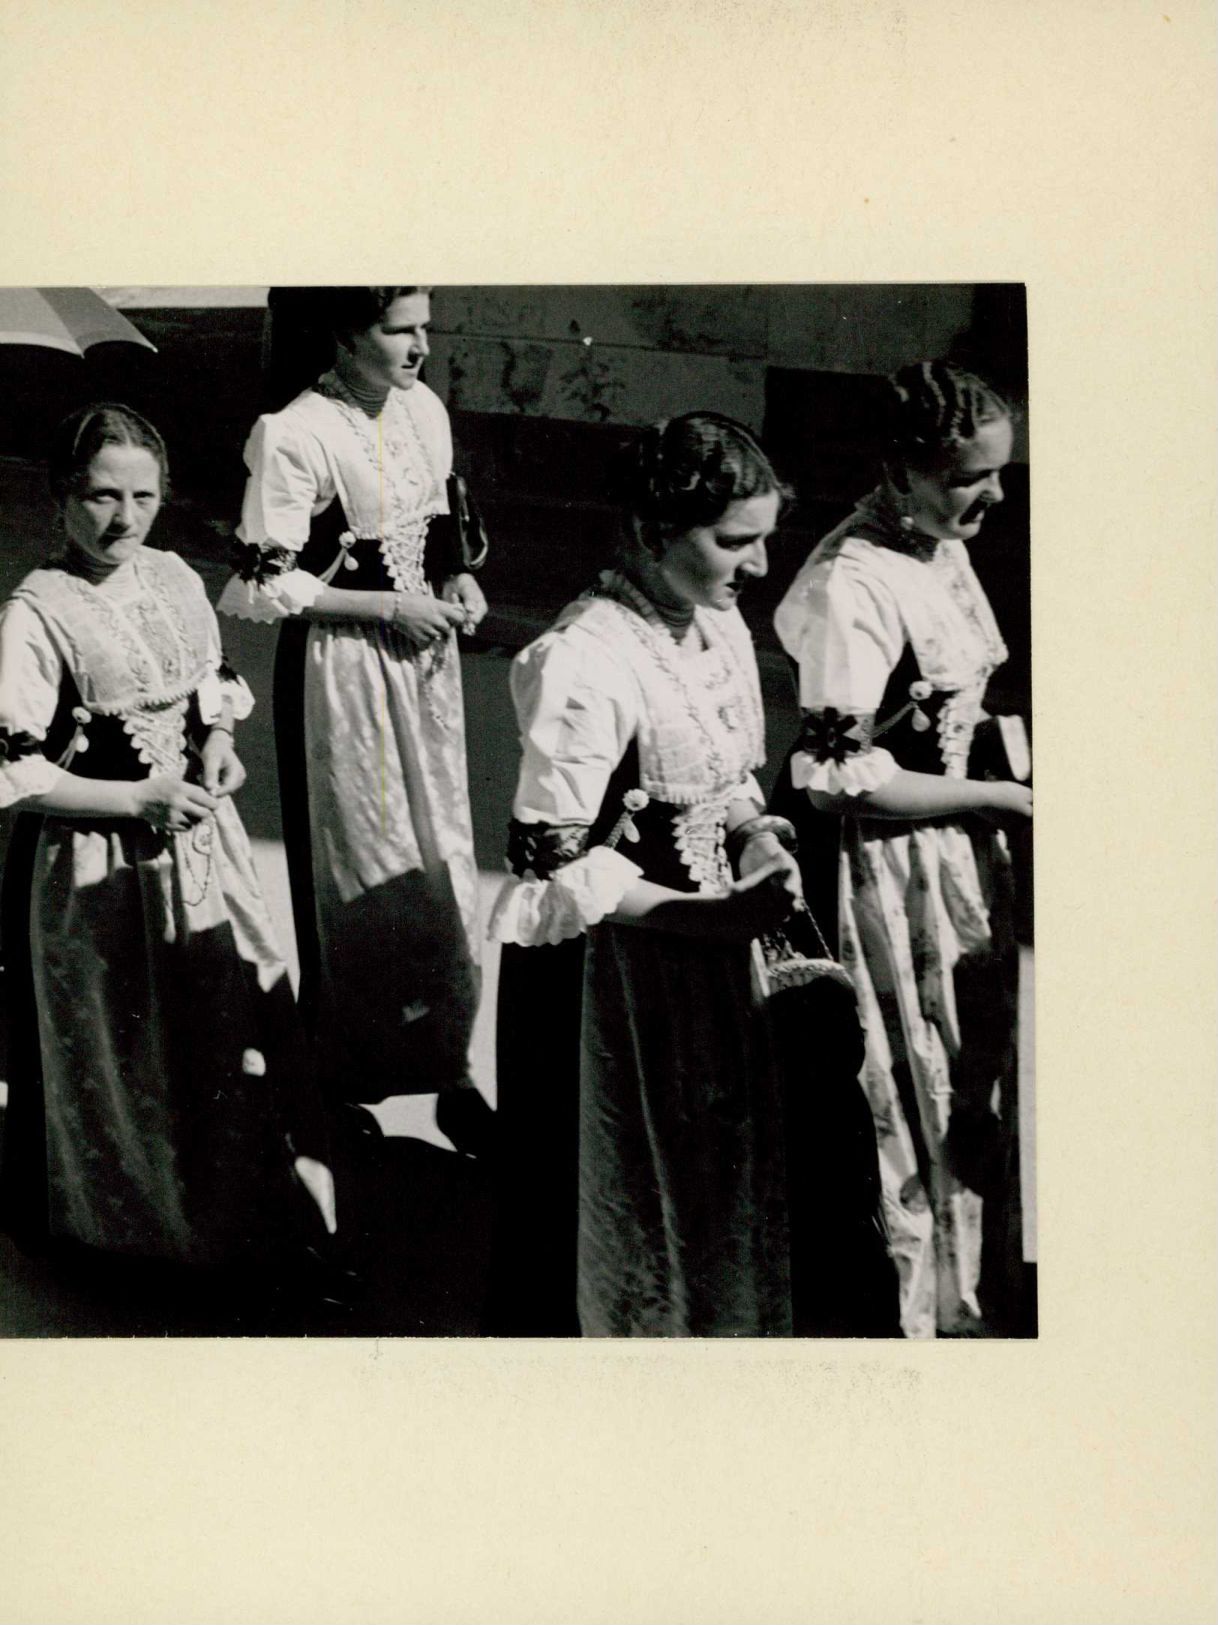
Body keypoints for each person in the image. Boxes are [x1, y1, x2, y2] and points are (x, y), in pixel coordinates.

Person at [490, 412, 895, 1337]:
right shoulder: (583, 660)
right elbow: (551, 863)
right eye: (734, 541)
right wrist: (709, 919)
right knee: (640, 1208)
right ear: (650, 531)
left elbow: (728, 775)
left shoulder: (712, 621)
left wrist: (755, 835)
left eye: (764, 538)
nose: (759, 565)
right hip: (621, 978)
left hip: (722, 956)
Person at [0, 403, 335, 1270]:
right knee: (130, 1046)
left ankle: (243, 1216)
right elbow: (17, 772)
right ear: (61, 496)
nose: (125, 519)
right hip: (94, 864)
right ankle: (145, 1234)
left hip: (201, 848)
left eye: (143, 497)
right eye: (102, 496)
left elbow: (212, 686)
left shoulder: (176, 577)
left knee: (226, 1021)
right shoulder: (37, 612)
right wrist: (136, 798)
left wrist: (219, 743)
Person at [770, 359, 1032, 1338]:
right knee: (911, 1096)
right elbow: (836, 779)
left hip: (953, 854)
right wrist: (995, 796)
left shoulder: (935, 540)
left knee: (969, 1084)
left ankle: (970, 1297)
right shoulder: (854, 585)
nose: (993, 495)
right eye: (969, 477)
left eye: (998, 472)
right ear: (898, 469)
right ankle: (912, 1324)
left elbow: (949, 698)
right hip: (883, 873)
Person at [217, 287, 491, 1150]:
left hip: (424, 664)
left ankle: (449, 1068)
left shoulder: (422, 409)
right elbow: (268, 581)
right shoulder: (295, 432)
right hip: (343, 670)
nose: (419, 346)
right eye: (397, 328)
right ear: (344, 332)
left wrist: (456, 580)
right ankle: (339, 1075)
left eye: (424, 327)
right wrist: (388, 607)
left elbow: (439, 527)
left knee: (440, 865)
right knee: (359, 872)